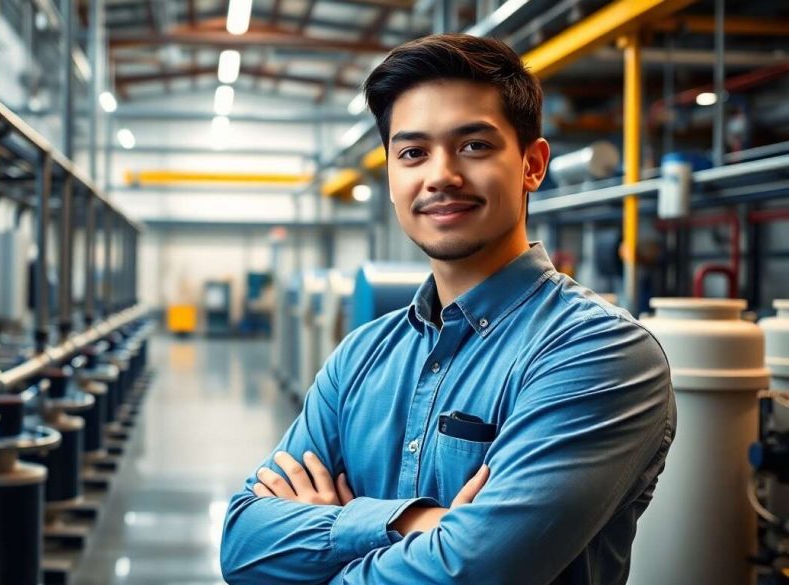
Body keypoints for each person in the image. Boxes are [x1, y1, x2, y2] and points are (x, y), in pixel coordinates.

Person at [220, 33, 675, 585]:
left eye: (474, 146)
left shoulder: (599, 353)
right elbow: (243, 546)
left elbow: (476, 571)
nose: (440, 175)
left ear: (532, 164)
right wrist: (419, 522)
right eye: (412, 152)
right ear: (391, 177)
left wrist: (334, 528)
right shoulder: (360, 356)